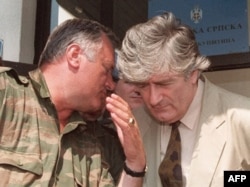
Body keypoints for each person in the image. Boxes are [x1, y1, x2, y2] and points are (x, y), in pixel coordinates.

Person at [0, 18, 146, 186]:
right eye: (106, 70)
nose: (111, 84)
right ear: (75, 55)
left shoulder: (90, 145)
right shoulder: (6, 94)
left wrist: (135, 164)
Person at [116, 12, 250, 187]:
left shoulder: (243, 119)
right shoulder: (137, 124)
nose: (153, 99)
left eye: (164, 83)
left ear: (193, 74)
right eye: (142, 86)